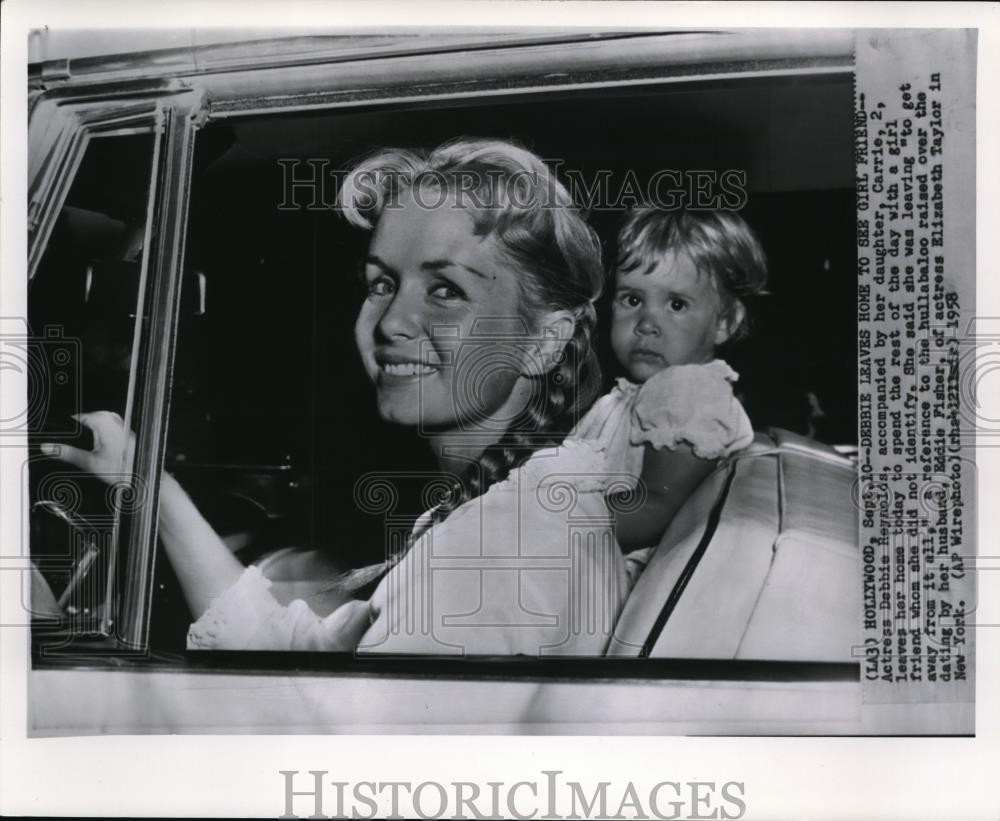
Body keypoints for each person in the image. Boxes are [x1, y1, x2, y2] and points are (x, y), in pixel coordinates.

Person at [42, 138, 629, 656]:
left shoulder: (503, 547)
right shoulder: (503, 506)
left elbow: (343, 760)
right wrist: (146, 484)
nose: (392, 321)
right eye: (381, 283)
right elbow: (297, 660)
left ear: (545, 341)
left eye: (445, 290)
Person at [569, 206, 768, 583]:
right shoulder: (651, 393)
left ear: (725, 321)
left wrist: (541, 528)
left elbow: (654, 506)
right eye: (631, 299)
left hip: (609, 580)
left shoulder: (686, 392)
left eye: (676, 304)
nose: (646, 323)